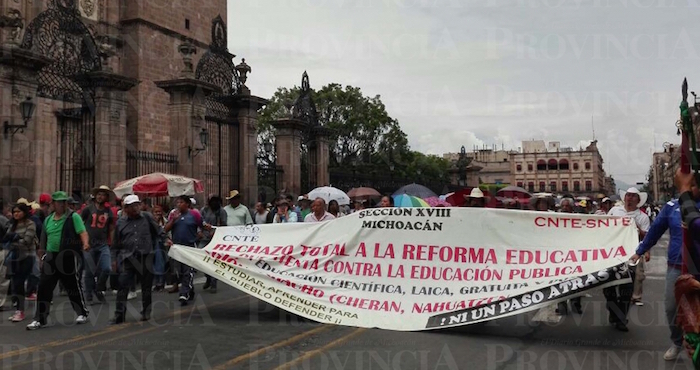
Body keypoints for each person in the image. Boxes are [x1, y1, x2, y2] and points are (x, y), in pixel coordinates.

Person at [631, 188, 700, 361]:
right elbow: (655, 230)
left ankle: (696, 346)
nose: (691, 187)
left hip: (698, 267)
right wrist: (640, 250)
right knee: (671, 308)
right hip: (676, 266)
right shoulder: (671, 206)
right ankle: (677, 342)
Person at [27, 191, 90, 330]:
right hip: (51, 257)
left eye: (64, 202)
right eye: (58, 202)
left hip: (67, 256)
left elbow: (82, 232)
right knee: (44, 287)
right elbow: (44, 238)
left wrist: (85, 243)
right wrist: (42, 254)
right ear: (53, 204)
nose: (61, 204)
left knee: (72, 285)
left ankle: (82, 312)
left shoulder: (73, 217)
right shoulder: (49, 219)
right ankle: (40, 319)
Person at [110, 195, 162, 324]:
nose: (136, 208)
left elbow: (158, 230)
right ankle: (119, 315)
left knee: (146, 286)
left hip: (145, 256)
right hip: (127, 258)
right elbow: (116, 242)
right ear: (126, 208)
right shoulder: (121, 222)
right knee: (122, 286)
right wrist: (114, 259)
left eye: (137, 205)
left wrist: (166, 239)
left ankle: (146, 311)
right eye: (132, 206)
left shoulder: (147, 217)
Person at [604, 187, 650, 332]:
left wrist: (636, 228)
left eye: (633, 196)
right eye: (628, 195)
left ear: (638, 200)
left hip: (630, 255)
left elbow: (647, 236)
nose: (630, 198)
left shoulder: (642, 217)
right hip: (611, 253)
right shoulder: (614, 211)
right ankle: (613, 312)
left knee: (626, 288)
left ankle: (620, 318)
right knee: (608, 286)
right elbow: (604, 227)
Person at [165, 195, 204, 306]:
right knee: (179, 272)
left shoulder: (194, 214)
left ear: (187, 204)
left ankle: (184, 293)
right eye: (177, 202)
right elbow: (166, 229)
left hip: (190, 246)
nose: (178, 204)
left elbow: (203, 225)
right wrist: (173, 220)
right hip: (177, 247)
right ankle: (190, 290)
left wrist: (201, 233)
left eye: (181, 202)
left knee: (188, 271)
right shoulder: (173, 214)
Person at [80, 186, 115, 305]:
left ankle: (99, 288)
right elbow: (80, 224)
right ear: (95, 196)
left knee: (106, 268)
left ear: (106, 197)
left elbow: (111, 228)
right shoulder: (87, 209)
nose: (101, 197)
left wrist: (112, 242)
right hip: (89, 244)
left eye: (103, 195)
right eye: (99, 194)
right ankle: (88, 294)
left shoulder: (108, 211)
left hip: (103, 244)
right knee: (89, 270)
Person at [3, 202, 37, 322]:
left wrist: (15, 238)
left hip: (26, 256)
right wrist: (13, 238)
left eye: (18, 212)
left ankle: (20, 310)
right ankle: (18, 309)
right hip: (14, 257)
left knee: (19, 282)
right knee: (15, 284)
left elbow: (27, 240)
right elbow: (6, 239)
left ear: (24, 212)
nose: (16, 214)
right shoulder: (12, 224)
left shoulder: (30, 224)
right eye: (14, 212)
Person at [200, 196, 227, 293]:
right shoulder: (204, 210)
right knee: (201, 258)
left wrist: (216, 231)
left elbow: (224, 225)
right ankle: (207, 277)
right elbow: (200, 221)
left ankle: (213, 283)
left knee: (213, 261)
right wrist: (201, 230)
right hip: (204, 237)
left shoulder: (221, 211)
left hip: (216, 239)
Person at [152, 204, 169, 292]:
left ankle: (161, 282)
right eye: (156, 212)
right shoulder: (150, 221)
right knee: (153, 264)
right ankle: (156, 282)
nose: (158, 213)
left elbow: (165, 232)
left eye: (159, 212)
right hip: (152, 244)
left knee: (160, 263)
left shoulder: (164, 221)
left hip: (161, 245)